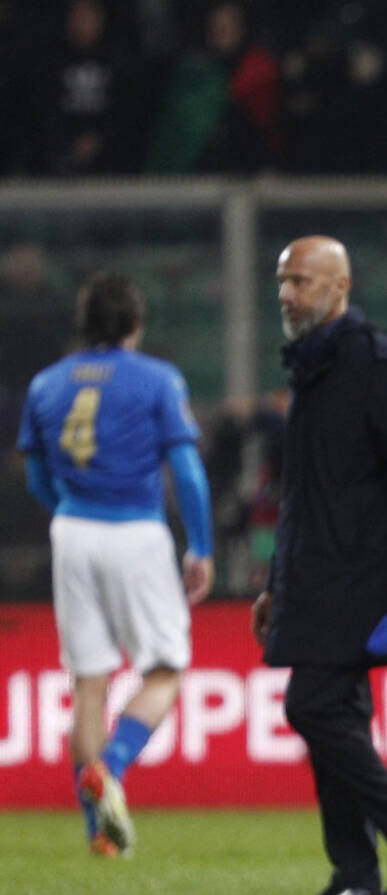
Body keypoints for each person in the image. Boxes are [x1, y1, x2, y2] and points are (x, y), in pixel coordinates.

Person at [253, 236, 387, 895]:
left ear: (340, 289)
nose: (286, 293)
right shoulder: (311, 366)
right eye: (283, 281)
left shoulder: (376, 365)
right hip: (316, 574)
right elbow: (303, 495)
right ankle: (353, 875)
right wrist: (277, 583)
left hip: (362, 576)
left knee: (309, 707)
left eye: (302, 282)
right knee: (334, 715)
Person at [15, 272, 215, 857]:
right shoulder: (157, 379)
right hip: (135, 531)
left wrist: (73, 514)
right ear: (135, 323)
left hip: (72, 531)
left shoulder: (47, 384)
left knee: (89, 685)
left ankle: (98, 830)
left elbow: (35, 477)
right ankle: (113, 766)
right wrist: (198, 546)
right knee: (166, 672)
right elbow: (188, 471)